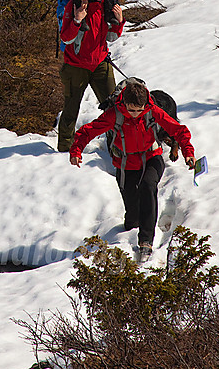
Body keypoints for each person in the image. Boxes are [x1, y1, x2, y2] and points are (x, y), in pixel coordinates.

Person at [69, 78, 196, 262]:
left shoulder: (152, 111)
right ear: (124, 103)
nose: (136, 114)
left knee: (148, 186)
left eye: (139, 110)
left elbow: (179, 130)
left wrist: (188, 152)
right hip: (125, 164)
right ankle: (131, 232)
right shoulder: (115, 114)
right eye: (132, 109)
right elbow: (88, 131)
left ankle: (146, 242)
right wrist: (76, 150)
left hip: (152, 158)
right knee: (132, 218)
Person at [57, 0, 124, 153]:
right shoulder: (74, 5)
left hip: (101, 64)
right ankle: (64, 150)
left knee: (114, 109)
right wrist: (77, 20)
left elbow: (111, 37)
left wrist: (119, 22)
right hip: (75, 67)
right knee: (71, 110)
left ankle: (117, 148)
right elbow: (66, 38)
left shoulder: (107, 4)